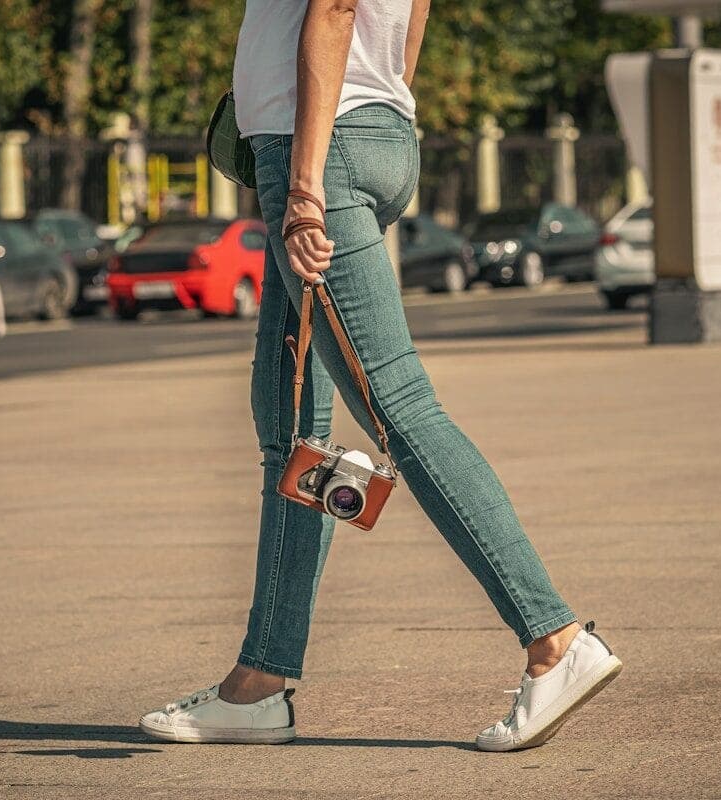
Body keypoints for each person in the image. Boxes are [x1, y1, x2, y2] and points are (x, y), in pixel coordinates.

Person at [140, 0, 622, 752]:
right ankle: (258, 684)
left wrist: (305, 189)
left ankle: (553, 638)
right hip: (361, 130)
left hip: (317, 146)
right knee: (293, 426)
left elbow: (333, 6)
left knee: (397, 403)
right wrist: (386, 100)